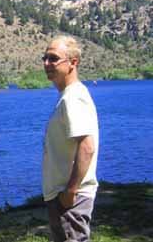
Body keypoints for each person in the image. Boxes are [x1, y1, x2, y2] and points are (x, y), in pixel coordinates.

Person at [41, 35, 99, 242]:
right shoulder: (68, 96)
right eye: (45, 58)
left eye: (53, 58)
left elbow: (87, 146)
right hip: (63, 196)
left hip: (70, 199)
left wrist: (70, 192)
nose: (47, 63)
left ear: (73, 62)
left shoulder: (73, 98)